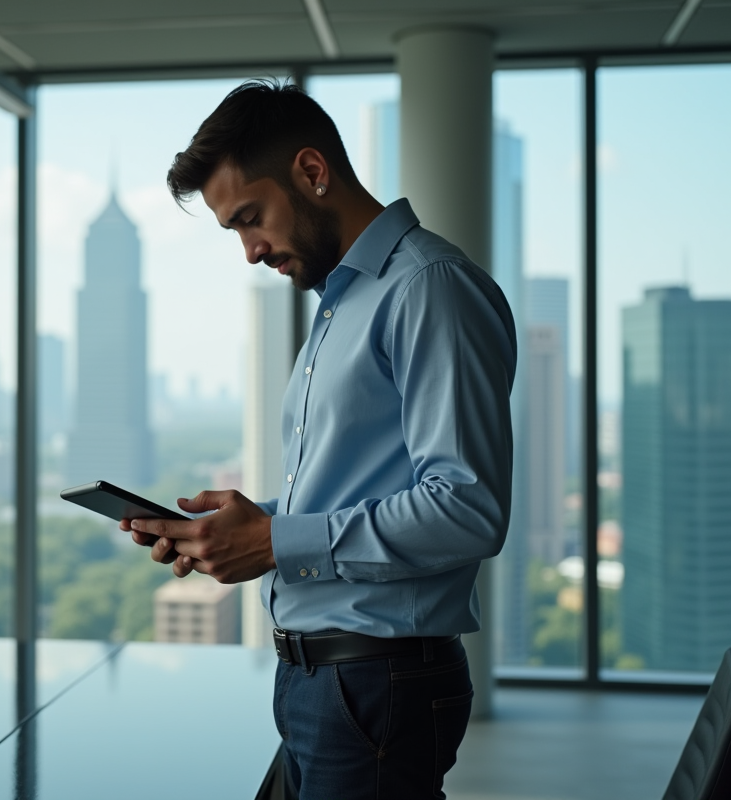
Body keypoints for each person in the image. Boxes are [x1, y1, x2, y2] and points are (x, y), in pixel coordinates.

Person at [123, 80, 516, 799]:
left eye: (251, 218)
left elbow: (467, 508)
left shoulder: (427, 288)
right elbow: (357, 490)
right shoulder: (343, 303)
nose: (248, 251)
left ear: (312, 172)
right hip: (322, 681)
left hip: (376, 683)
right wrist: (241, 530)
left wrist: (278, 542)